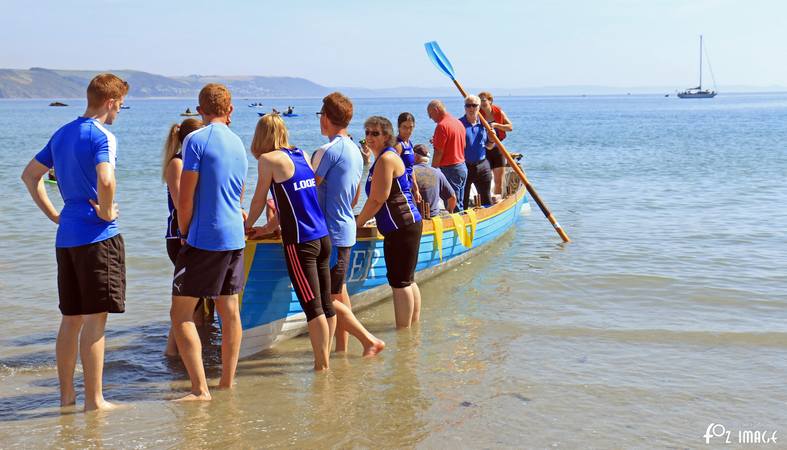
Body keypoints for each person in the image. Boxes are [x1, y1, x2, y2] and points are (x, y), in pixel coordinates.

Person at [20, 73, 129, 412]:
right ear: (110, 102)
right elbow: (106, 178)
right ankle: (95, 401)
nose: (118, 112)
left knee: (71, 319)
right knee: (96, 319)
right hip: (97, 238)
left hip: (66, 236)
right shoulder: (102, 136)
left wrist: (55, 214)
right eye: (120, 106)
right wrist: (108, 210)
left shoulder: (63, 133)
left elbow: (30, 175)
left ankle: (67, 397)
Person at [170, 83, 247, 401]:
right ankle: (227, 383)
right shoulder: (239, 143)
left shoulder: (195, 140)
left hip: (205, 238)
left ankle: (200, 390)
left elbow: (185, 198)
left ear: (200, 110)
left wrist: (185, 232)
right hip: (234, 237)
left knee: (181, 314)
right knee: (229, 312)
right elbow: (240, 193)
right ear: (230, 110)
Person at [245, 114, 336, 370]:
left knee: (313, 308)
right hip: (322, 237)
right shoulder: (302, 154)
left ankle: (322, 367)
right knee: (327, 305)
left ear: (260, 136)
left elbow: (259, 199)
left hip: (300, 243)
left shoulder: (268, 160)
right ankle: (326, 359)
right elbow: (295, 202)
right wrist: (267, 228)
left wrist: (247, 226)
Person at [311, 92, 384, 356]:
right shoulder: (355, 150)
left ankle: (367, 341)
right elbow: (354, 196)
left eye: (321, 115)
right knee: (339, 293)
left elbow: (307, 193)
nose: (320, 120)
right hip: (346, 229)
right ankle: (341, 351)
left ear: (327, 118)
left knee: (327, 300)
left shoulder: (326, 151)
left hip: (328, 233)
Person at [356, 116, 423, 329]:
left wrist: (357, 222)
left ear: (387, 136)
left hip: (401, 226)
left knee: (400, 281)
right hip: (406, 224)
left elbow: (378, 198)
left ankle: (403, 333)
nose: (369, 137)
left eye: (375, 133)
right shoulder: (382, 158)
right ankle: (411, 331)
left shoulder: (386, 159)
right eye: (367, 132)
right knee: (407, 280)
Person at [161, 117, 211, 357]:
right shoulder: (178, 164)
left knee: (197, 300)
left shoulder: (193, 162)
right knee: (186, 302)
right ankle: (172, 355)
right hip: (180, 236)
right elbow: (183, 203)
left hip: (196, 234)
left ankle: (195, 351)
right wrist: (187, 234)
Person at [427, 99, 466, 211]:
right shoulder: (458, 123)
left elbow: (438, 151)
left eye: (430, 114)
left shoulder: (442, 126)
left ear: (436, 110)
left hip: (450, 168)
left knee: (452, 203)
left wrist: (433, 170)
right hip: (461, 166)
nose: (430, 118)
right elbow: (463, 145)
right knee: (459, 202)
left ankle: (456, 227)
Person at [460, 95, 493, 208]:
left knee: (486, 198)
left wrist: (492, 139)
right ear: (465, 108)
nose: (471, 108)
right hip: (465, 166)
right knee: (463, 200)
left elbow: (489, 146)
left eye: (474, 105)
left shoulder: (485, 125)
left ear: (479, 107)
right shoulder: (459, 124)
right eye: (468, 105)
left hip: (482, 165)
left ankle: (490, 221)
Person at [478, 91, 513, 196]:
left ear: (490, 101)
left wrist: (496, 125)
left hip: (498, 149)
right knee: (486, 181)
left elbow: (510, 127)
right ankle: (487, 201)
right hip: (484, 150)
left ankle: (497, 201)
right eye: (479, 101)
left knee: (499, 181)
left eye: (483, 100)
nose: (481, 103)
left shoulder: (499, 112)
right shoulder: (477, 114)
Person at [412, 144, 456, 217]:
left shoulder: (409, 172)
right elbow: (453, 197)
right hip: (434, 217)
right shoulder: (437, 172)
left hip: (415, 217)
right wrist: (450, 211)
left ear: (415, 156)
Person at [393, 112, 421, 204]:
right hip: (399, 189)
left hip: (408, 187)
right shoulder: (398, 145)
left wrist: (416, 189)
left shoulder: (409, 143)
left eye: (411, 127)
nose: (408, 131)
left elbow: (410, 168)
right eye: (404, 127)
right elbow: (391, 169)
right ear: (399, 127)